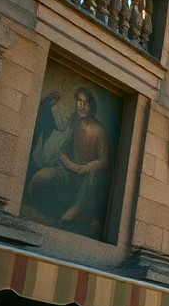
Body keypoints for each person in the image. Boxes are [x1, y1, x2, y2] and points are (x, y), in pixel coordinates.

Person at [26, 86, 112, 227]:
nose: (81, 105)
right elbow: (60, 129)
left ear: (91, 105)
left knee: (69, 217)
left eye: (85, 102)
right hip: (67, 172)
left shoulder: (99, 130)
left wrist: (79, 167)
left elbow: (104, 161)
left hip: (86, 177)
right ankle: (54, 213)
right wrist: (50, 104)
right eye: (79, 101)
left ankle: (71, 217)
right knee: (37, 181)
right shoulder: (74, 123)